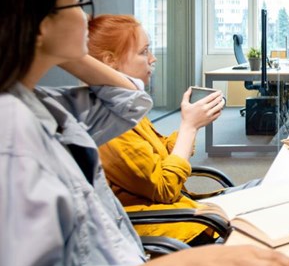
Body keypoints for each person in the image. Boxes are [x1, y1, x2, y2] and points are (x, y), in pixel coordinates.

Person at [0, 0, 289, 266]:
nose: (86, 18)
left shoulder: (44, 105)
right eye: (76, 4)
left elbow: (128, 101)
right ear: (40, 24)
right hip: (148, 261)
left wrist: (69, 52)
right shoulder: (12, 130)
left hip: (131, 261)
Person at [88, 14, 238, 245]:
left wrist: (191, 122)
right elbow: (165, 188)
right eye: (143, 52)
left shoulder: (124, 106)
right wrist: (189, 127)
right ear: (110, 60)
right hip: (169, 224)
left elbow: (163, 153)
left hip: (182, 211)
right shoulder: (109, 124)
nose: (153, 58)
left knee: (266, 193)